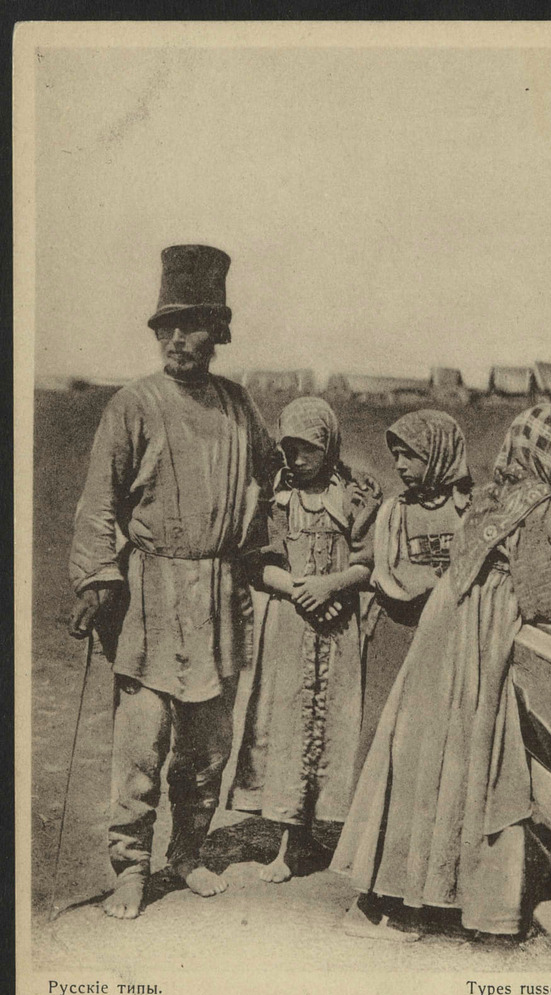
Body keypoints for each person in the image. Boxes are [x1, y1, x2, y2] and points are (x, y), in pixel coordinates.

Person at [331, 403, 551, 941]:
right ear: (547, 457)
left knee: (427, 752)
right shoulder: (543, 506)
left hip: (449, 622)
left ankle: (404, 895)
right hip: (478, 631)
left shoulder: (500, 493)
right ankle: (413, 902)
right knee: (473, 754)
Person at [69, 244, 275, 919]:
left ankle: (186, 852)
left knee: (208, 746)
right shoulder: (134, 404)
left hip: (220, 592)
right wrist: (98, 577)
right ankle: (130, 867)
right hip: (152, 594)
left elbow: (277, 471)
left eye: (191, 325)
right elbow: (99, 503)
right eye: (166, 326)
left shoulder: (238, 405)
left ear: (217, 332)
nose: (176, 338)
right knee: (142, 742)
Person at [230, 397, 382, 882]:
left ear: (329, 446)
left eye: (307, 449)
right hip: (289, 625)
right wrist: (302, 591)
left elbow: (367, 563)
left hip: (337, 628)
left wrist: (331, 587)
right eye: (288, 449)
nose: (295, 459)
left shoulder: (355, 496)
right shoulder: (277, 497)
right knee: (287, 723)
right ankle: (284, 843)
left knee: (331, 725)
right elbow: (258, 564)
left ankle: (308, 835)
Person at [361, 410, 472, 762]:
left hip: (450, 632)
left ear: (438, 454)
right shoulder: (394, 511)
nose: (399, 465)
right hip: (398, 629)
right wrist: (440, 581)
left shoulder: (469, 509)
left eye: (410, 455)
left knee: (442, 724)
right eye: (396, 456)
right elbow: (390, 576)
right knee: (385, 723)